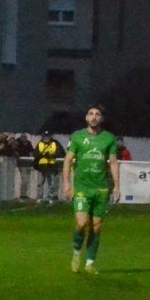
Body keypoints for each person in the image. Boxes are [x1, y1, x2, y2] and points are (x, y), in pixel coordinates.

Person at [62, 104, 120, 274]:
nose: (94, 117)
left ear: (101, 118)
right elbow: (68, 160)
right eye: (91, 114)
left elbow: (114, 163)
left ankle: (90, 262)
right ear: (86, 118)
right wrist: (66, 183)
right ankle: (76, 252)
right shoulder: (77, 137)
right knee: (81, 223)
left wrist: (117, 186)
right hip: (81, 188)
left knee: (96, 227)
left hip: (101, 188)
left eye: (97, 114)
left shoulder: (109, 138)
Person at [33, 131, 63, 204]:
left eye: (48, 136)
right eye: (45, 136)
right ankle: (40, 196)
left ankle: (51, 196)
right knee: (40, 182)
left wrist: (51, 155)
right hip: (42, 166)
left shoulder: (55, 143)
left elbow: (60, 152)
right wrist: (42, 155)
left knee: (51, 182)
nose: (46, 137)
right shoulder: (40, 143)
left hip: (51, 166)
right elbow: (35, 153)